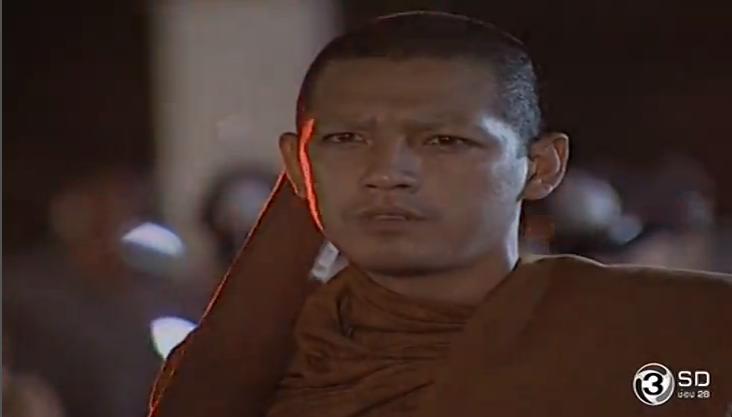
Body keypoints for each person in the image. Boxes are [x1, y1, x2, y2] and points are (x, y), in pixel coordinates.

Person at [147, 12, 732, 417]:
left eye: (445, 141)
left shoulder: (666, 332)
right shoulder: (259, 366)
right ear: (297, 170)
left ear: (541, 166)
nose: (387, 172)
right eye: (347, 139)